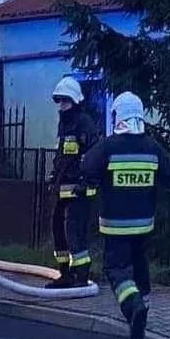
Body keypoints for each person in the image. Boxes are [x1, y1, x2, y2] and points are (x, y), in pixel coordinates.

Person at [79, 92, 170, 339]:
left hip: (115, 226)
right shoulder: (153, 147)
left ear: (118, 116)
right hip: (144, 225)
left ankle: (133, 306)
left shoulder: (108, 146)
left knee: (116, 268)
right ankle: (142, 307)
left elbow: (88, 167)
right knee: (140, 265)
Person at [49, 76, 101, 287]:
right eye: (59, 102)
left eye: (65, 101)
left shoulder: (84, 123)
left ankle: (81, 276)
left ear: (75, 101)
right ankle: (65, 274)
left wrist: (85, 181)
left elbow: (92, 155)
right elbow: (63, 154)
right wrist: (54, 174)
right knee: (58, 229)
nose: (62, 106)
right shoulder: (65, 124)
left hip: (80, 191)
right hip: (63, 188)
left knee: (75, 232)